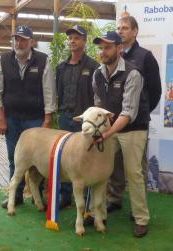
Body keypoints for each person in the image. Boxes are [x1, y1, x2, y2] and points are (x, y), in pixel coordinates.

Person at [91, 31, 150, 237]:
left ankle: (141, 219)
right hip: (110, 128)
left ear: (119, 48)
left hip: (133, 128)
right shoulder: (97, 74)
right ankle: (97, 212)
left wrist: (106, 135)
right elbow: (98, 106)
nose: (103, 52)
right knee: (99, 169)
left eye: (108, 47)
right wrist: (98, 128)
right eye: (101, 48)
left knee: (133, 173)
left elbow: (128, 114)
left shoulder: (133, 73)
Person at [0, 25, 56, 209]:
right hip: (11, 119)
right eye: (16, 39)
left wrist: (47, 120)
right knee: (15, 158)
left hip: (35, 121)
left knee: (40, 159)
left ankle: (37, 196)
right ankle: (17, 194)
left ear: (31, 42)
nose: (19, 43)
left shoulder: (43, 61)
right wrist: (1, 119)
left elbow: (49, 92)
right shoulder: (3, 60)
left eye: (23, 40)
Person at [106, 16, 162, 213]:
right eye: (118, 28)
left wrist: (141, 110)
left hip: (136, 125)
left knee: (136, 170)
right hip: (114, 124)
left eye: (125, 28)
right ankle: (114, 198)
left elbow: (155, 91)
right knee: (114, 166)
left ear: (135, 31)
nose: (121, 31)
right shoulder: (114, 55)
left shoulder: (145, 57)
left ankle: (137, 210)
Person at [56, 25, 99, 209]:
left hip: (84, 122)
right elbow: (59, 92)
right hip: (65, 118)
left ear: (84, 41)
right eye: (70, 38)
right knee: (64, 158)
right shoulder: (61, 68)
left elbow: (96, 96)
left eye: (77, 37)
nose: (73, 40)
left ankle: (87, 200)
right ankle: (65, 196)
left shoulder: (94, 67)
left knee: (86, 158)